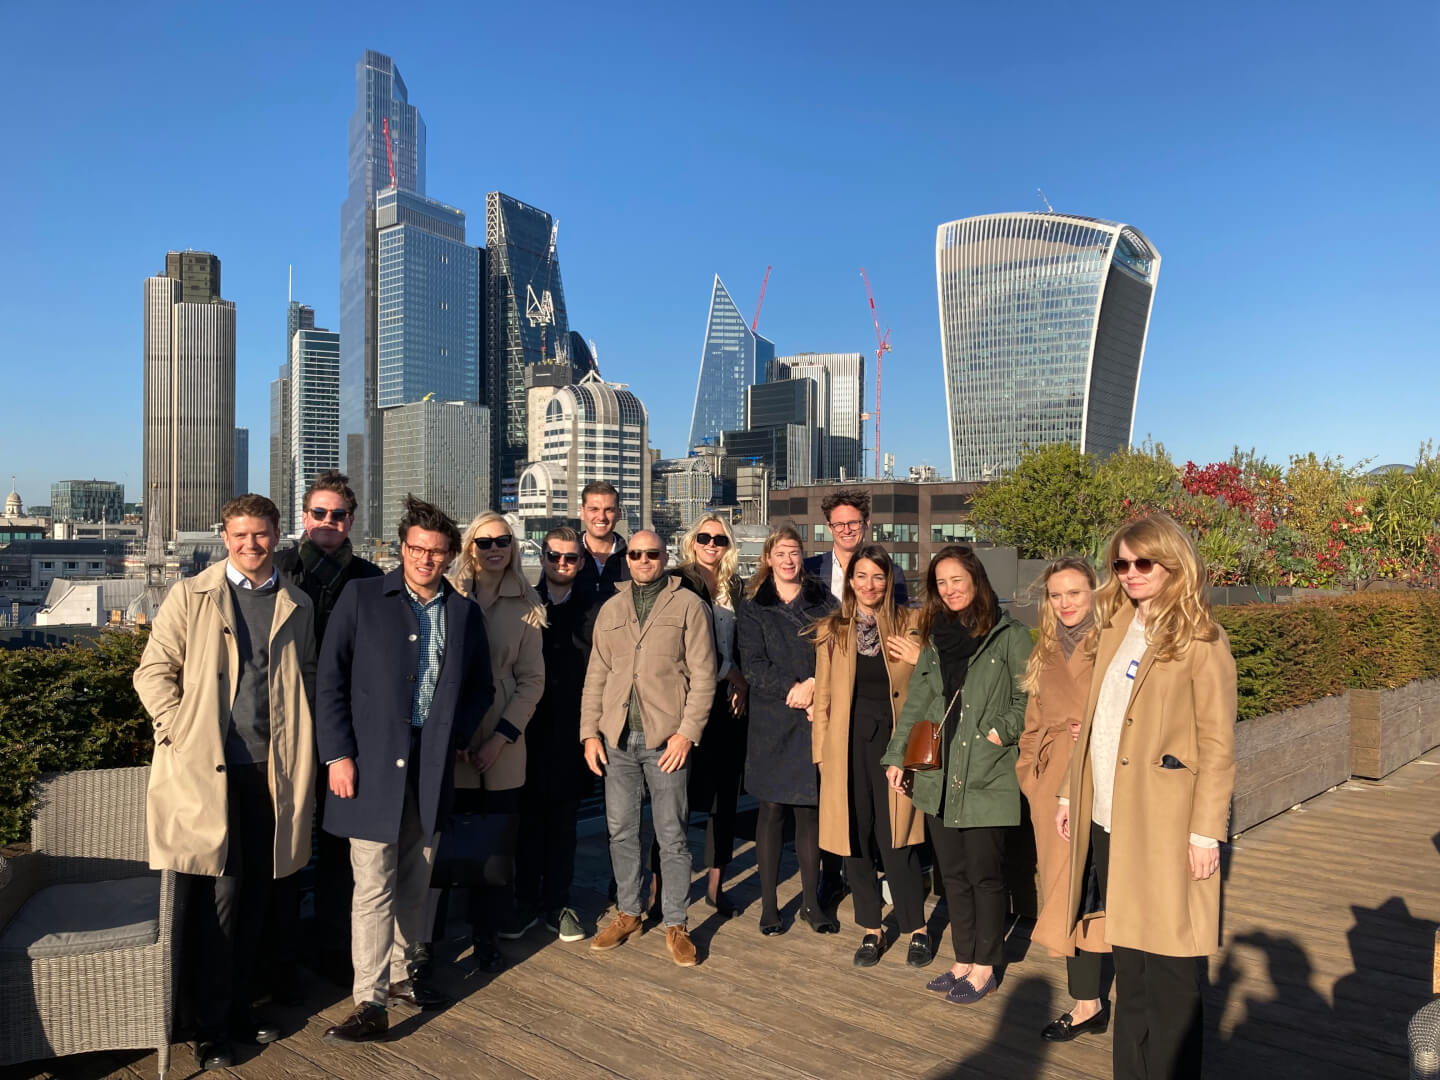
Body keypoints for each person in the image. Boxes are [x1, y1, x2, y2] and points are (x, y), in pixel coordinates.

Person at [134, 494, 317, 1071]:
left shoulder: (297, 603)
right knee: (222, 895)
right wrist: (179, 731)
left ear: (278, 535)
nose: (251, 545)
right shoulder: (191, 595)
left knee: (263, 891)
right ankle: (210, 1028)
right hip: (208, 771)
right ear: (224, 537)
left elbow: (304, 677)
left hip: (274, 770)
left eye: (261, 535)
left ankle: (242, 1007)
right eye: (240, 535)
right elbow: (152, 671)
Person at [1057, 512, 1236, 1079]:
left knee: (1174, 971)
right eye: (1121, 563)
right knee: (1129, 967)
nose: (1130, 573)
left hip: (1167, 825)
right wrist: (1069, 794)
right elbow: (1093, 721)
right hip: (1111, 821)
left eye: (1143, 562)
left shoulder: (1201, 637)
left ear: (1172, 564)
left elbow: (1218, 743)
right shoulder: (1112, 627)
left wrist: (1205, 831)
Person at [316, 496, 494, 1044]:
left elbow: (481, 686)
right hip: (369, 765)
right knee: (371, 885)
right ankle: (367, 1000)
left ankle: (398, 978)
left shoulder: (463, 612)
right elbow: (330, 680)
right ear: (402, 548)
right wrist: (337, 754)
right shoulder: (363, 597)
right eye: (417, 549)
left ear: (450, 556)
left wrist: (454, 735)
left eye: (437, 552)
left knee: (416, 880)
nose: (426, 560)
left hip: (431, 765)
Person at [882, 545, 1031, 1005]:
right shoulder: (934, 637)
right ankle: (963, 958)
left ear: (976, 579)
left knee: (986, 875)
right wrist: (896, 756)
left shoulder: (1010, 635)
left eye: (956, 580)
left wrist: (999, 732)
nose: (949, 590)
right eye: (941, 583)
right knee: (954, 874)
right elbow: (920, 706)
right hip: (939, 773)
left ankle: (986, 964)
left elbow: (1030, 699)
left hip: (986, 770)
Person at [581, 530, 716, 967]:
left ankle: (676, 921)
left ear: (664, 557)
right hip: (617, 739)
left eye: (651, 553)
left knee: (671, 834)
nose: (642, 560)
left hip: (666, 741)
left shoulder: (689, 606)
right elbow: (597, 675)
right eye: (635, 553)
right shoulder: (612, 608)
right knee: (620, 830)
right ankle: (628, 911)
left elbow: (704, 676)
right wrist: (589, 734)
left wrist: (686, 734)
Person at [273, 469, 382, 987]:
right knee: (287, 844)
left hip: (346, 729)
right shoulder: (278, 569)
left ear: (351, 520)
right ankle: (285, 958)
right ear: (304, 516)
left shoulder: (368, 577)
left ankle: (337, 949)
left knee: (339, 845)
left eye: (338, 514)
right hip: (285, 726)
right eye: (319, 513)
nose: (328, 522)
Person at [812, 544, 930, 968]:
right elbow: (823, 695)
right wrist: (821, 756)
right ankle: (871, 928)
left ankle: (916, 926)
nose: (869, 585)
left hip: (896, 745)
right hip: (847, 747)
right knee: (854, 835)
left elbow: (929, 683)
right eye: (861, 576)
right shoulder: (834, 630)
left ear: (889, 580)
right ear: (850, 581)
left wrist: (921, 658)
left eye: (878, 576)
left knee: (896, 836)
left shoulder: (912, 624)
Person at [437, 510, 545, 972]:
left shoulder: (529, 602)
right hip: (453, 733)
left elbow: (532, 680)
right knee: (444, 840)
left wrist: (500, 739)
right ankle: (432, 939)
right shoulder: (447, 596)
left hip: (503, 737)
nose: (495, 549)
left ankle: (487, 935)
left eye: (503, 541)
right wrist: (456, 733)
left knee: (497, 846)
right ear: (469, 549)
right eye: (484, 543)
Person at [1015, 557, 1111, 1040]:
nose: (1066, 602)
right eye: (1057, 594)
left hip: (1105, 780)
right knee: (1065, 887)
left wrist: (1094, 728)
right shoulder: (1045, 649)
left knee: (1098, 886)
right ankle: (1087, 999)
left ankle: (1102, 995)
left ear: (1095, 592)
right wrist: (1030, 780)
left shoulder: (1115, 642)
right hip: (1052, 783)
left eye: (1075, 592)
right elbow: (1032, 723)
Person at [737, 525, 838, 935]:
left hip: (813, 716)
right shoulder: (753, 605)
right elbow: (752, 664)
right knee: (772, 811)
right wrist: (791, 688)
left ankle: (812, 903)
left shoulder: (823, 600)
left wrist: (815, 686)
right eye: (780, 552)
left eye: (794, 552)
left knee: (808, 812)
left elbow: (836, 652)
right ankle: (770, 906)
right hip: (771, 718)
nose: (789, 560)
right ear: (768, 558)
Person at [647, 513, 748, 917]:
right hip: (686, 704)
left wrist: (742, 682)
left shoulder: (736, 588)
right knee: (675, 798)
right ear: (692, 542)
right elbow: (677, 646)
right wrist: (731, 673)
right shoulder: (676, 583)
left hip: (729, 706)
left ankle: (715, 886)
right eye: (704, 537)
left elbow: (747, 641)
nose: (711, 544)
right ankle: (658, 891)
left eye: (719, 539)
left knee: (725, 799)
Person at [501, 526, 593, 943]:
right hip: (525, 729)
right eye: (554, 556)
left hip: (573, 732)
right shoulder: (525, 602)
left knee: (563, 825)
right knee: (526, 823)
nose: (561, 564)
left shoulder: (595, 608)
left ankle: (557, 903)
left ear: (582, 561)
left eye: (570, 558)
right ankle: (524, 902)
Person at [804, 489, 909, 606]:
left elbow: (900, 618)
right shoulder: (809, 569)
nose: (847, 530)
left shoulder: (892, 572)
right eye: (839, 524)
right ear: (829, 528)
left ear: (866, 524)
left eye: (853, 523)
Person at [572, 480, 630, 604]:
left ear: (619, 514)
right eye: (594, 509)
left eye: (608, 510)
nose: (601, 517)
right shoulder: (564, 558)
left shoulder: (633, 560)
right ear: (582, 513)